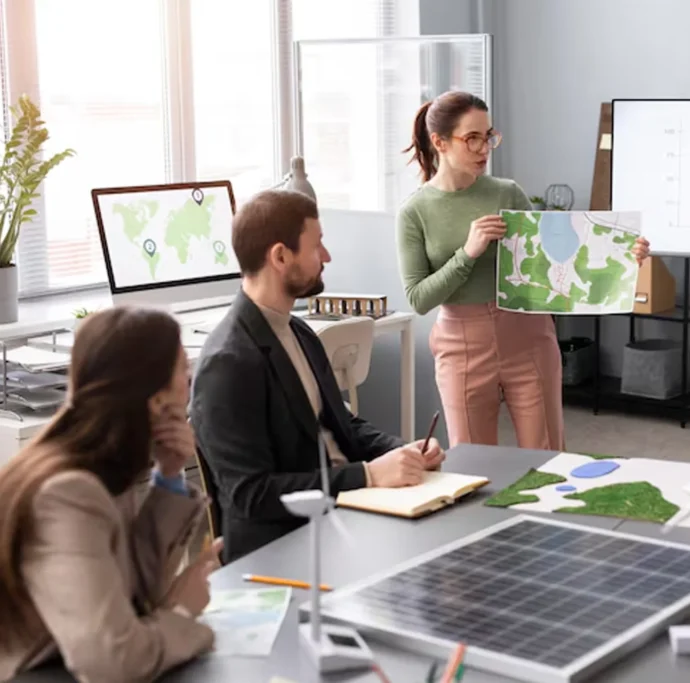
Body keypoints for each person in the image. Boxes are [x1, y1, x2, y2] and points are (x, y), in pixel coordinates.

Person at [190, 189, 445, 563]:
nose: (326, 256)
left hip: (344, 514)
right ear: (280, 256)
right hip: (284, 545)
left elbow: (342, 425)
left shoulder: (299, 332)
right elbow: (251, 494)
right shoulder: (227, 362)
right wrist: (368, 476)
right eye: (317, 245)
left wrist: (401, 451)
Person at [397, 90, 650, 449]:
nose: (484, 149)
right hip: (461, 344)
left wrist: (623, 257)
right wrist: (467, 254)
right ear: (440, 142)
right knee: (473, 461)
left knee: (547, 456)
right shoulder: (414, 212)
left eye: (488, 136)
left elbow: (553, 266)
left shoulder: (507, 193)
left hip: (528, 334)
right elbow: (418, 299)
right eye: (472, 138)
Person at [0, 307, 220, 681]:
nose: (190, 380)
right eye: (183, 369)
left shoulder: (109, 467)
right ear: (155, 400)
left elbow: (137, 597)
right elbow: (112, 660)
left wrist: (169, 476)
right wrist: (182, 613)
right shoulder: (67, 495)